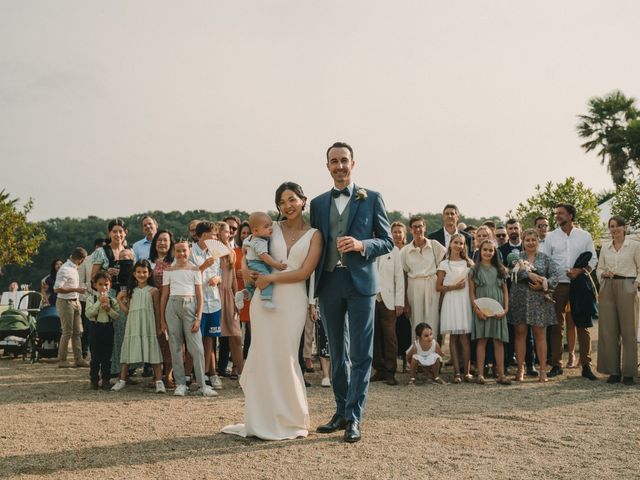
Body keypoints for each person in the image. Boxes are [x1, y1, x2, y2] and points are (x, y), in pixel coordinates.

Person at [223, 181, 322, 440]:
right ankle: (260, 419)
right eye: (282, 202)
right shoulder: (270, 228)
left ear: (303, 200)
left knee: (287, 356)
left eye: (292, 199)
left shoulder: (315, 235)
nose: (288, 205)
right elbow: (247, 251)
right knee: (262, 354)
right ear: (277, 206)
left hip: (293, 300)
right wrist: (245, 270)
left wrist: (271, 279)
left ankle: (290, 419)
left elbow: (304, 272)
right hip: (263, 303)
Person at [310, 142, 393, 444]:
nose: (339, 166)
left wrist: (362, 245)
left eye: (344, 160)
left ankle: (355, 416)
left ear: (353, 164)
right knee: (336, 352)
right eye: (334, 161)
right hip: (329, 283)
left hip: (361, 284)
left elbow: (386, 241)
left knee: (360, 353)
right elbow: (314, 244)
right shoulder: (318, 204)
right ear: (328, 166)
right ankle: (341, 410)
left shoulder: (371, 198)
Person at [542, 203, 598, 380]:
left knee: (582, 323)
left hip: (579, 284)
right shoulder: (550, 237)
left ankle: (586, 365)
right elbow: (545, 261)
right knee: (556, 325)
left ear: (571, 216)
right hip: (558, 285)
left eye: (561, 213)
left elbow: (593, 259)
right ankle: (557, 364)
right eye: (556, 213)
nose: (557, 216)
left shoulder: (584, 236)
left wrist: (579, 271)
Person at [160, 238, 217, 397]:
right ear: (174, 252)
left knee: (197, 348)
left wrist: (198, 318)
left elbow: (200, 296)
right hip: (172, 306)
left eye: (184, 250)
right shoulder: (168, 271)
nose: (181, 253)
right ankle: (180, 384)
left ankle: (202, 385)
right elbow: (164, 296)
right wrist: (162, 320)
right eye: (178, 251)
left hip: (190, 306)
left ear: (189, 251)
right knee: (175, 346)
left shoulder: (195, 270)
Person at [508, 229, 558, 383]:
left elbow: (555, 277)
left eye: (533, 240)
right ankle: (521, 369)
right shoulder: (517, 258)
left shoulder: (546, 259)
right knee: (520, 333)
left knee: (540, 335)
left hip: (539, 300)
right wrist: (528, 274)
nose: (530, 242)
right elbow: (511, 274)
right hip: (520, 299)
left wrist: (543, 283)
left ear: (538, 241)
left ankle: (543, 370)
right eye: (527, 240)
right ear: (523, 241)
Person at [596, 216, 640, 385]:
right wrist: (602, 274)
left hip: (628, 285)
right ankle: (613, 371)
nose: (614, 229)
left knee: (628, 331)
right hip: (608, 287)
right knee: (609, 330)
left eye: (617, 226)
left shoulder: (635, 245)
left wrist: (635, 284)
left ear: (624, 227)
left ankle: (629, 372)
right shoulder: (606, 248)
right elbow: (599, 268)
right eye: (611, 227)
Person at [111, 260, 165, 393]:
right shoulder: (131, 291)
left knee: (153, 350)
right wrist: (118, 300)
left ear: (149, 273)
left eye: (144, 272)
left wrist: (159, 325)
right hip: (133, 324)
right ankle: (122, 380)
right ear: (134, 274)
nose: (141, 274)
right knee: (128, 350)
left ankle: (159, 381)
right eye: (139, 272)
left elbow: (157, 310)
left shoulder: (153, 291)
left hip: (148, 324)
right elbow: (129, 310)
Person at [499, 219, 537, 377]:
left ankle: (530, 365)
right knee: (509, 330)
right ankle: (507, 363)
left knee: (528, 333)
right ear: (507, 231)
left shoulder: (528, 246)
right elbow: (500, 271)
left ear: (520, 230)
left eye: (516, 228)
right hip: (508, 293)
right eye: (510, 228)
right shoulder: (501, 249)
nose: (513, 230)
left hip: (528, 293)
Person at [469, 240, 511, 385]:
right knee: (482, 340)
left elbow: (505, 292)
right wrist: (477, 309)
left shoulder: (501, 270)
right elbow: (472, 293)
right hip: (482, 309)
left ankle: (501, 374)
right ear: (480, 251)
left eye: (491, 250)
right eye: (485, 250)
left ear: (495, 253)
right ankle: (480, 374)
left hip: (497, 308)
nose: (488, 253)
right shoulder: (474, 270)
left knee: (498, 341)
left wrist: (505, 309)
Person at [189, 221, 223, 390]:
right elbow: (187, 275)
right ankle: (192, 374)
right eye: (212, 236)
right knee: (194, 340)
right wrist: (203, 267)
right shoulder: (190, 252)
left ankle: (209, 373)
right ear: (202, 236)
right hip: (196, 303)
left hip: (214, 302)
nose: (215, 238)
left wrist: (218, 279)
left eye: (216, 236)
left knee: (210, 339)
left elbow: (220, 274)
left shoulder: (215, 252)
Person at [371, 221, 405, 386]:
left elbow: (399, 278)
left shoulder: (394, 250)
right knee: (374, 336)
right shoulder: (368, 247)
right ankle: (379, 369)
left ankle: (391, 371)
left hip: (389, 299)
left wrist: (400, 302)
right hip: (371, 297)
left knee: (390, 336)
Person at [436, 233, 473, 383]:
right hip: (451, 300)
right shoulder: (444, 264)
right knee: (453, 337)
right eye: (456, 242)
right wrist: (454, 287)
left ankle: (467, 371)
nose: (459, 246)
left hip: (464, 300)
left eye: (461, 243)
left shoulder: (468, 263)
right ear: (450, 244)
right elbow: (438, 287)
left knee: (465, 337)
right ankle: (456, 372)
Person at [401, 215, 446, 336]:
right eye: (414, 227)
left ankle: (433, 352)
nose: (418, 230)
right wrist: (405, 301)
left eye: (420, 226)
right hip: (414, 287)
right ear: (410, 229)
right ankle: (417, 353)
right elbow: (404, 276)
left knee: (433, 321)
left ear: (424, 227)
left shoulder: (435, 245)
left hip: (432, 285)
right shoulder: (405, 251)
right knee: (416, 322)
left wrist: (442, 294)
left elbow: (443, 269)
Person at [236, 212, 287, 309]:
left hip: (250, 263)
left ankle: (242, 294)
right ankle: (266, 300)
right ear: (255, 230)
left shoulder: (249, 238)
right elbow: (265, 257)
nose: (270, 228)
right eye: (266, 227)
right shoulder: (260, 242)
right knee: (267, 278)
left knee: (251, 287)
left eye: (270, 226)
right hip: (258, 264)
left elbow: (244, 249)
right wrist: (277, 265)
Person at [215, 220, 244, 379]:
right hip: (213, 294)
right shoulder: (211, 250)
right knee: (210, 337)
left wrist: (236, 297)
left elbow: (233, 278)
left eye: (228, 231)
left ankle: (242, 371)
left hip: (227, 295)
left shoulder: (232, 251)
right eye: (223, 231)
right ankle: (209, 373)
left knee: (235, 334)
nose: (227, 234)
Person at [54, 247, 89, 368]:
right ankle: (62, 360)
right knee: (67, 332)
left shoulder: (74, 268)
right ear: (81, 259)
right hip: (65, 302)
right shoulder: (65, 269)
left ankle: (78, 359)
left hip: (75, 300)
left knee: (78, 332)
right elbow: (57, 288)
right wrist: (76, 289)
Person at [149, 229, 175, 387]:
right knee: (155, 338)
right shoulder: (148, 261)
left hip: (171, 303)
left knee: (171, 338)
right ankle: (156, 374)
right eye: (159, 240)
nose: (162, 243)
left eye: (165, 240)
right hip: (152, 303)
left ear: (170, 243)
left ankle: (169, 375)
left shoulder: (175, 262)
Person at [85, 271, 120, 390]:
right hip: (95, 327)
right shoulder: (91, 299)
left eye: (106, 284)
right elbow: (89, 313)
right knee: (95, 356)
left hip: (108, 328)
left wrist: (109, 309)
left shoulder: (112, 300)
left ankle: (106, 379)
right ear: (95, 285)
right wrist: (99, 302)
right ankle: (94, 379)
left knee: (107, 356)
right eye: (100, 284)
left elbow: (116, 316)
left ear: (110, 285)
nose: (103, 287)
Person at [79, 238, 106, 359]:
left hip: (105, 295)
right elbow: (82, 280)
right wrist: (90, 291)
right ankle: (84, 349)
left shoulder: (107, 258)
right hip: (88, 296)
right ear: (96, 247)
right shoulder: (86, 260)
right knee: (87, 325)